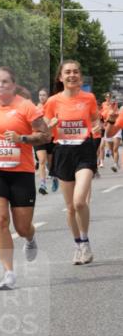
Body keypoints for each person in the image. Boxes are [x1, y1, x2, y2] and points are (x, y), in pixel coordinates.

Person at [0, 66, 50, 290]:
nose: (0, 85)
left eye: (5, 82)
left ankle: (30, 238)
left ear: (13, 85)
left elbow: (45, 135)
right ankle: (9, 273)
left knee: (22, 227)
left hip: (21, 171)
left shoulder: (26, 107)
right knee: (0, 220)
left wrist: (21, 137)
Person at [44, 60, 101, 264]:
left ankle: (85, 243)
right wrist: (49, 125)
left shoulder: (89, 98)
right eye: (67, 72)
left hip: (84, 151)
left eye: (76, 72)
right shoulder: (52, 101)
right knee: (69, 207)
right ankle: (78, 244)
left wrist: (97, 127)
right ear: (61, 77)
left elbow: (95, 120)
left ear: (80, 77)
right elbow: (44, 129)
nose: (72, 75)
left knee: (79, 201)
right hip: (63, 152)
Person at [35, 87, 58, 194]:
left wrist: (48, 126)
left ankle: (54, 177)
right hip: (39, 138)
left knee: (50, 162)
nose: (41, 97)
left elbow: (56, 119)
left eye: (44, 95)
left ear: (48, 97)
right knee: (42, 161)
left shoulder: (52, 108)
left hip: (50, 138)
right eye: (40, 95)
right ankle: (43, 184)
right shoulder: (36, 108)